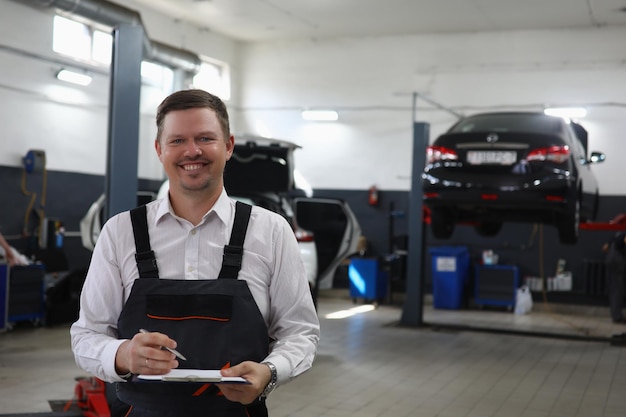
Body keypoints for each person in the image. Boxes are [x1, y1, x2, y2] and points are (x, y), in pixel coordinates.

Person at [70, 89, 320, 417]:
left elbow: (299, 332)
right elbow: (87, 335)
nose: (192, 151)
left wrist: (269, 372)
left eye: (205, 138)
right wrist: (123, 354)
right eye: (177, 141)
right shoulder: (121, 233)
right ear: (159, 149)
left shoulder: (271, 231)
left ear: (228, 146)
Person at [603, 231, 626, 323]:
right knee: (618, 290)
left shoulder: (618, 233)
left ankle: (617, 315)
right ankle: (617, 317)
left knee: (616, 288)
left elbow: (605, 247)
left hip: (612, 260)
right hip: (618, 262)